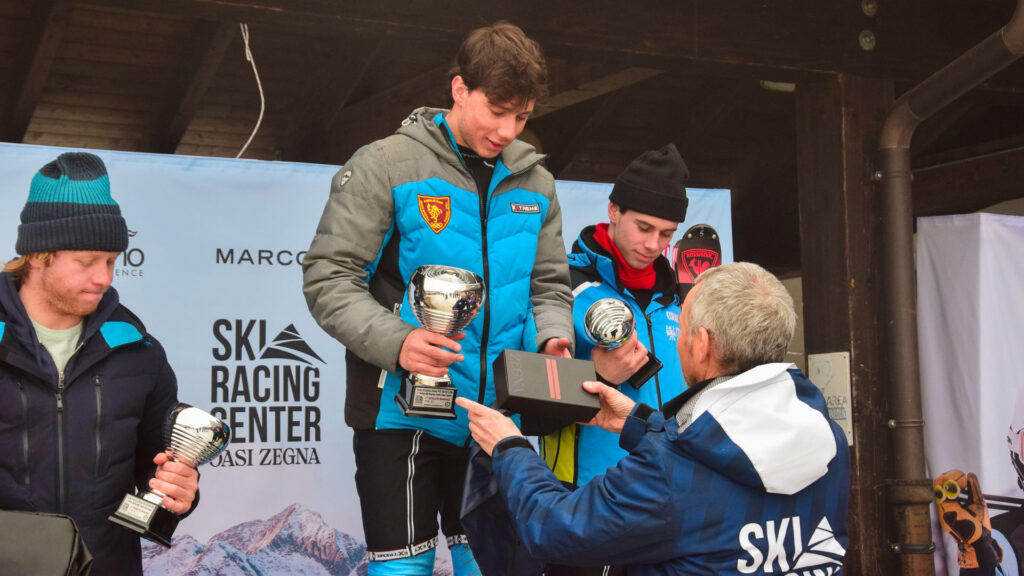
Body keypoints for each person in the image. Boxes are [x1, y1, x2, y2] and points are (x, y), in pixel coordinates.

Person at [302, 21, 574, 576]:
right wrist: (399, 342)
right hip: (401, 415)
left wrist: (553, 333)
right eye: (496, 109)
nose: (507, 129)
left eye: (520, 116)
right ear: (459, 89)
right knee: (403, 569)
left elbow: (548, 285)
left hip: (495, 415)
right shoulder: (386, 164)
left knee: (494, 566)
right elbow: (328, 277)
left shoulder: (536, 182)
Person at [458, 262, 850, 576]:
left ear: (702, 344)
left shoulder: (669, 471)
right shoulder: (828, 438)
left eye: (682, 326)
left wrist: (510, 448)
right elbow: (723, 471)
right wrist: (640, 422)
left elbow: (556, 529)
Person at [0, 152, 199, 575]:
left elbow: (155, 471)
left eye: (111, 261)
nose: (104, 278)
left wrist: (176, 494)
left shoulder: (140, 353)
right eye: (87, 261)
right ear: (38, 255)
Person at [539, 144, 689, 576]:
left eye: (666, 234)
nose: (653, 244)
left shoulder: (679, 302)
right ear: (613, 210)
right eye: (644, 227)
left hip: (669, 500)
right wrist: (595, 373)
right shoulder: (561, 286)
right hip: (585, 500)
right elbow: (526, 406)